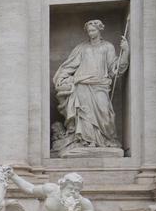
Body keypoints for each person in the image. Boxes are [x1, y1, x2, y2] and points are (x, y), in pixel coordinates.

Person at [52, 19, 129, 154]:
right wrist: (62, 77)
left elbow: (115, 70)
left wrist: (125, 52)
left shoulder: (108, 47)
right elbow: (69, 65)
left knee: (105, 113)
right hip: (82, 84)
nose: (91, 33)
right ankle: (86, 141)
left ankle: (106, 140)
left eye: (93, 30)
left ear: (100, 30)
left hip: (100, 85)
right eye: (88, 31)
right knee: (84, 114)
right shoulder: (82, 48)